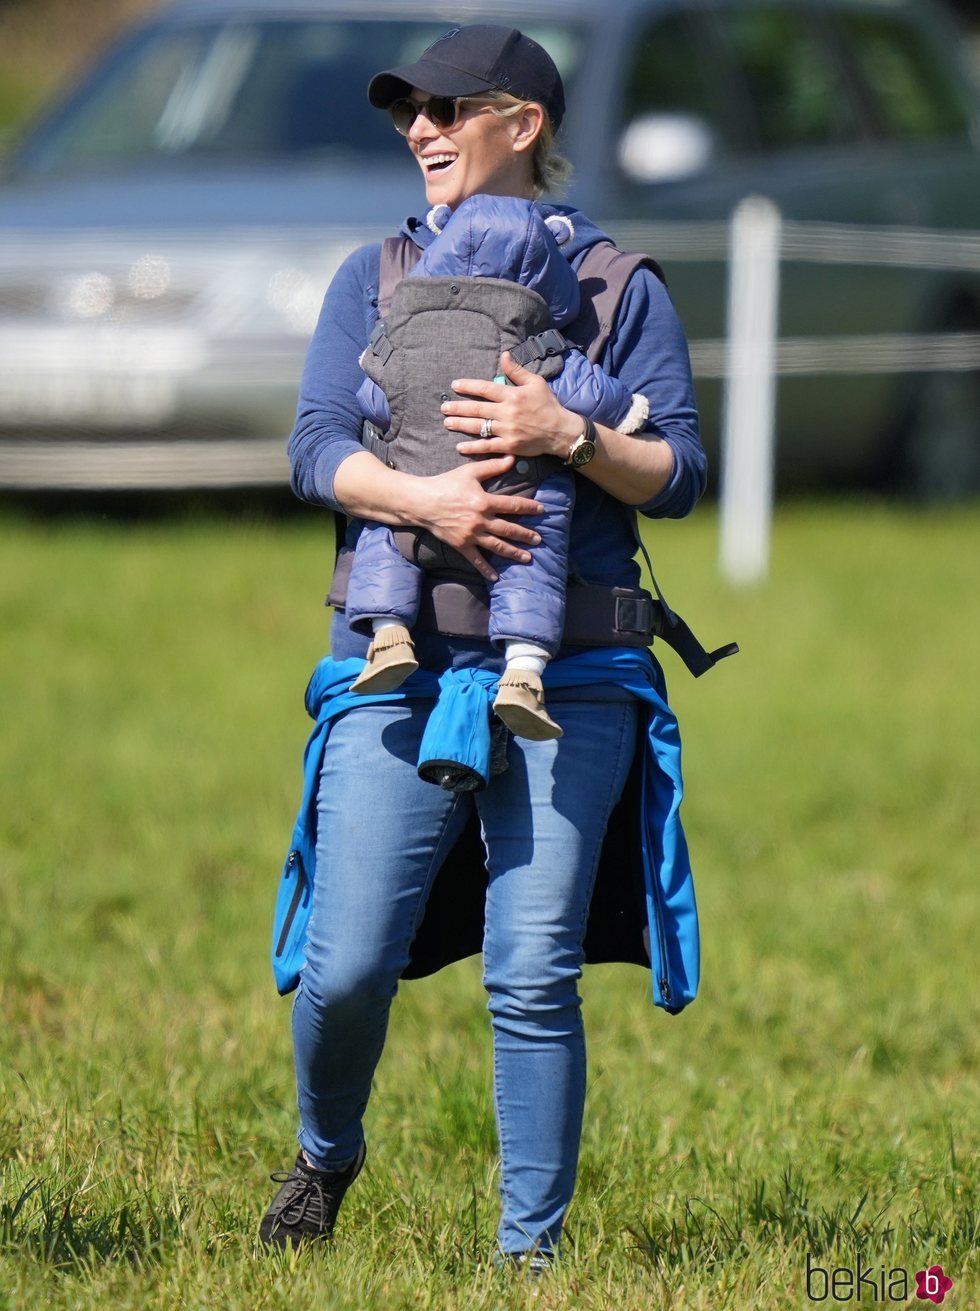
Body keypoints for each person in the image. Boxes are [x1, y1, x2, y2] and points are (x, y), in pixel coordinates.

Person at [260, 23, 707, 1267]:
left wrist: (569, 433)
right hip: (396, 662)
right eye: (410, 111)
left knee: (529, 971)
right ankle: (326, 1157)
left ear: (526, 126)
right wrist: (426, 504)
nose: (421, 131)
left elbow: (676, 471)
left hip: (572, 675)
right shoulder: (377, 276)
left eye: (450, 110)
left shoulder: (621, 289)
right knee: (345, 967)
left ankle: (529, 1261)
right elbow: (311, 448)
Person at [347, 191, 651, 740]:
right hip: (510, 510)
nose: (422, 128)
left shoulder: (401, 335)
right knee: (535, 549)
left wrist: (394, 447)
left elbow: (364, 404)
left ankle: (388, 632)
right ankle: (525, 671)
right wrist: (625, 413)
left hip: (408, 509)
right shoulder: (533, 348)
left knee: (381, 527)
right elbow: (598, 396)